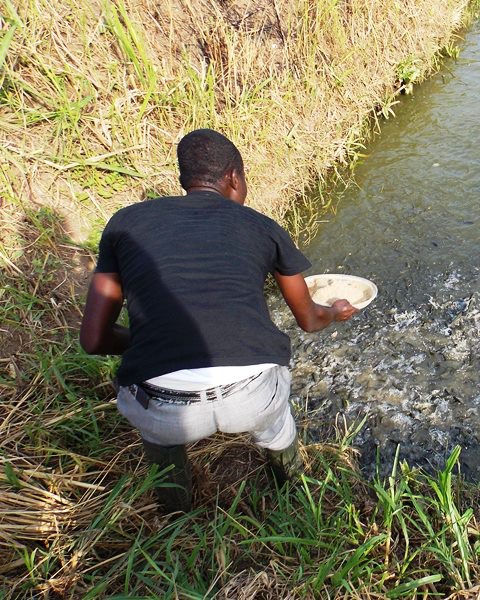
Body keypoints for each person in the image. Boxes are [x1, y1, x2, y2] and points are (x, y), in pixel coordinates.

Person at [80, 128, 358, 514]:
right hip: (250, 399)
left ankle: (174, 509)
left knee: (159, 442)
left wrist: (155, 337)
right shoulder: (261, 226)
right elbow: (310, 319)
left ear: (185, 181)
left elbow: (93, 339)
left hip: (162, 409)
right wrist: (338, 311)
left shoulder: (125, 223)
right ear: (233, 178)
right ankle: (293, 491)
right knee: (278, 427)